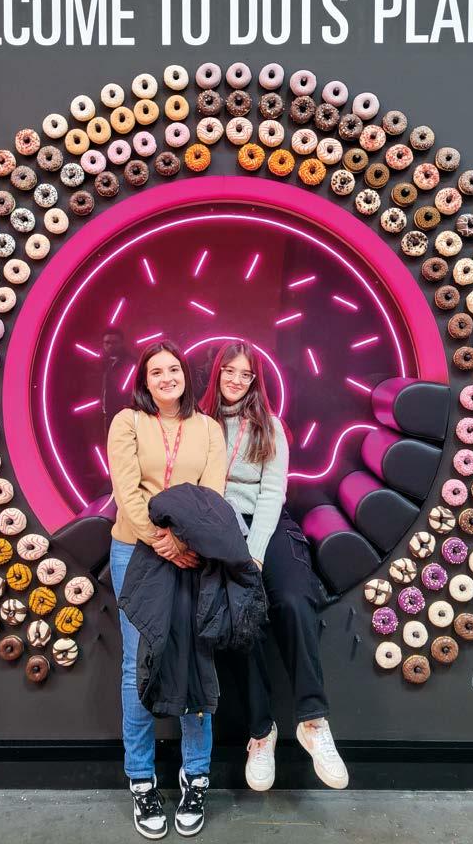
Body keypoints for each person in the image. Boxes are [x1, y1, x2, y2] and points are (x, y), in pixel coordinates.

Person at [199, 340, 349, 792]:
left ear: (255, 381)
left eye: (245, 374)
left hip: (267, 524)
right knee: (241, 616)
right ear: (217, 373)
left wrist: (255, 553)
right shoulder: (199, 424)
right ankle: (261, 733)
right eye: (230, 371)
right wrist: (228, 543)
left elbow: (271, 494)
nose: (236, 380)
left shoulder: (269, 425)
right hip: (220, 529)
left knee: (294, 600)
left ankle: (313, 721)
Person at [107, 339, 226, 839]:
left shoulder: (209, 429)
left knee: (194, 659)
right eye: (155, 371)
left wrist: (184, 541)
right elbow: (126, 489)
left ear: (185, 375)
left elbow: (211, 495)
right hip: (134, 551)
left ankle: (195, 775)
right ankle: (141, 779)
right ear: (144, 380)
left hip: (193, 551)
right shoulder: (127, 423)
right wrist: (162, 541)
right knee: (138, 665)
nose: (166, 378)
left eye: (173, 369)